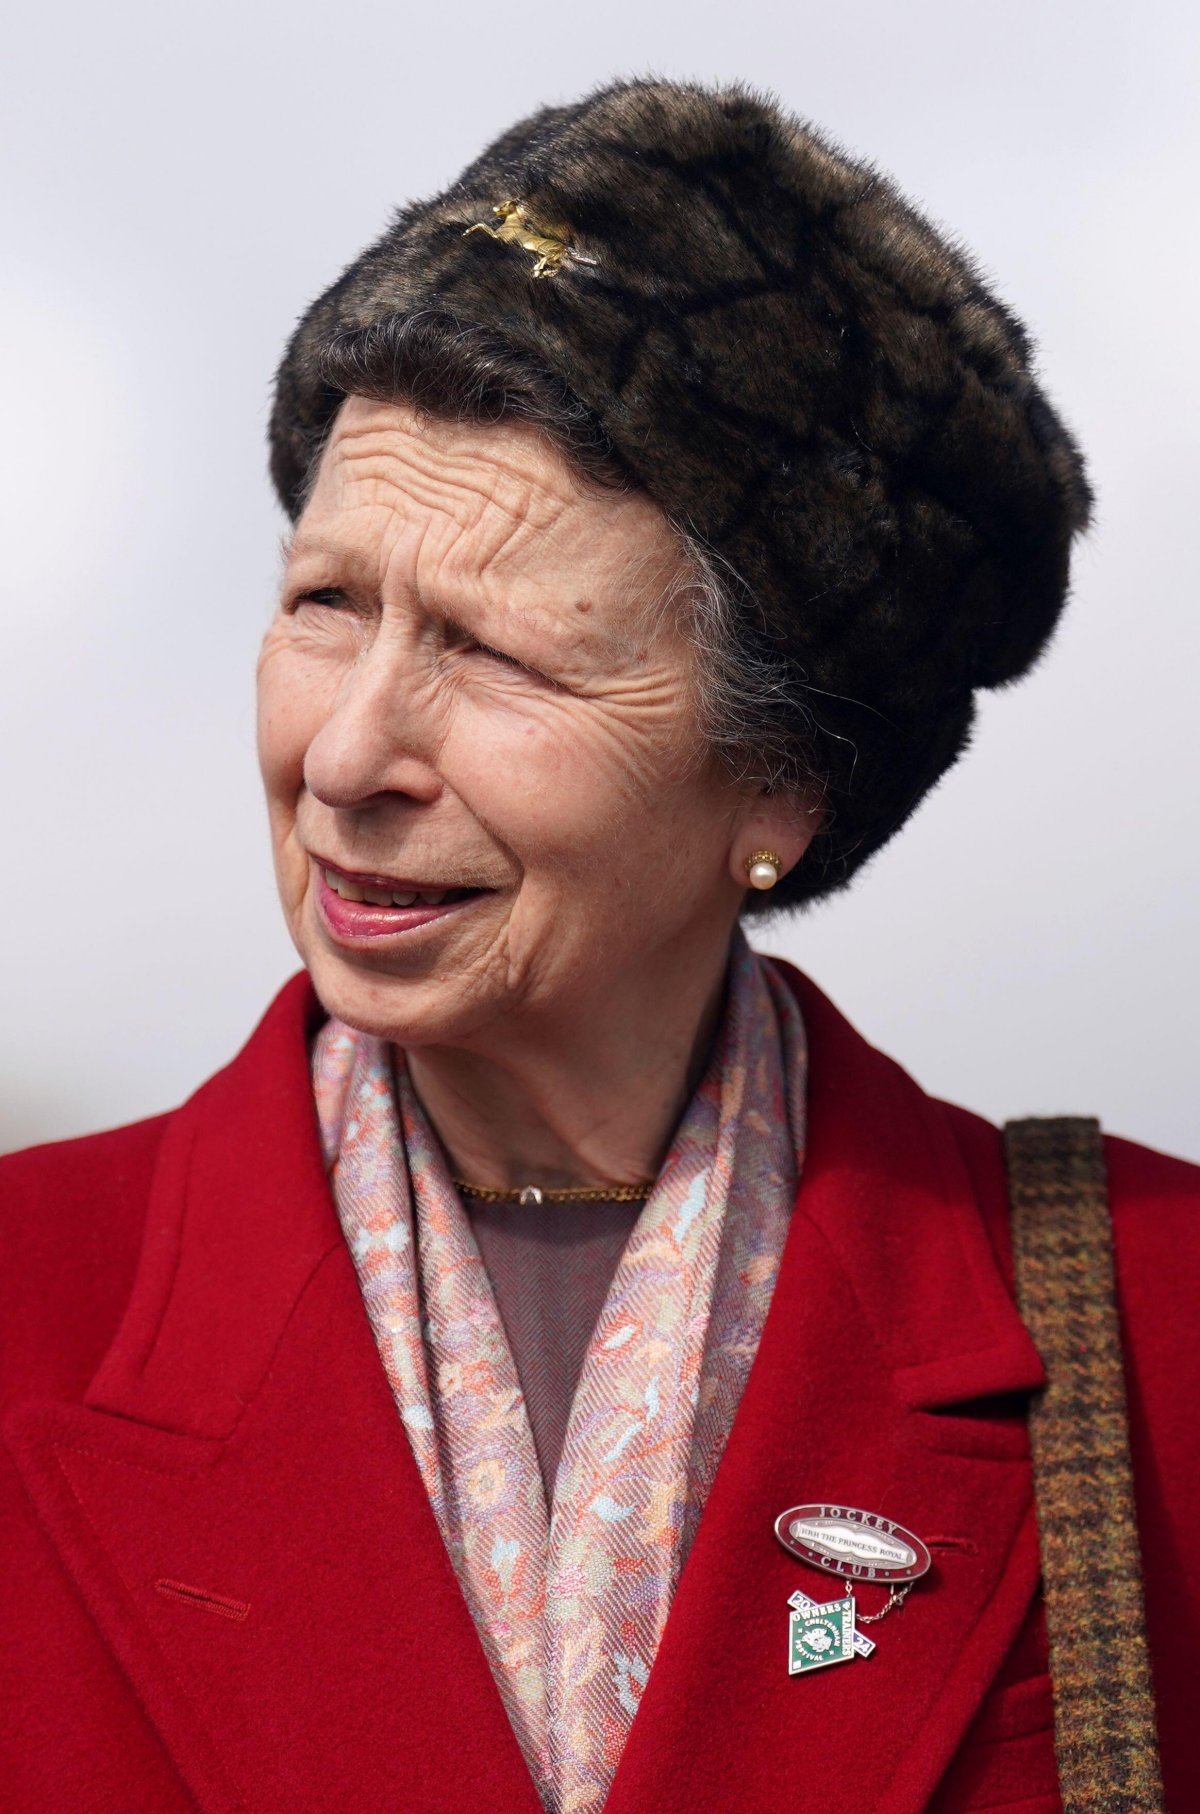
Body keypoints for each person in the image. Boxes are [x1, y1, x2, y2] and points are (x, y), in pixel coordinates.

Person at [1, 77, 1196, 1814]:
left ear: (780, 781)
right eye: (327, 603)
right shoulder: (30, 1300)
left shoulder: (1150, 1328)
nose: (346, 754)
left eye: (494, 652)